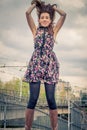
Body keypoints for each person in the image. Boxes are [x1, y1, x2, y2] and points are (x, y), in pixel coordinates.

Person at [24, 0, 66, 130]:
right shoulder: (34, 30)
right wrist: (35, 5)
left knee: (51, 99)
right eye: (42, 17)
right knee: (33, 98)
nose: (44, 19)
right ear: (39, 19)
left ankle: (55, 128)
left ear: (50, 19)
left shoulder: (54, 31)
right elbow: (27, 13)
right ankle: (27, 127)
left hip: (50, 65)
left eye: (47, 17)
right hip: (36, 64)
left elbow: (64, 15)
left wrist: (54, 8)